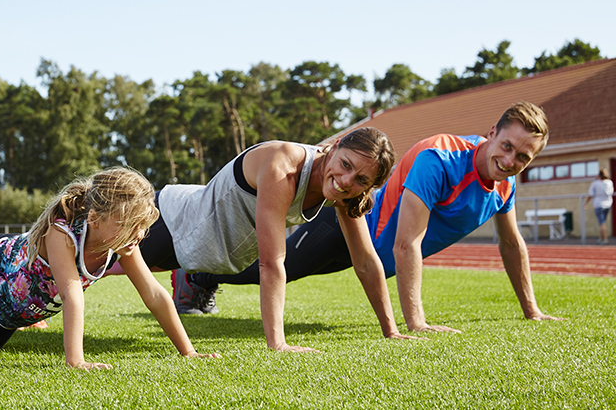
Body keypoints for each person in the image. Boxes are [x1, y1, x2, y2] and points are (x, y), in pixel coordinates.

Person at [186, 101, 565, 334]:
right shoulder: (440, 158)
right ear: (492, 132)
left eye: (523, 158)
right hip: (344, 224)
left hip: (373, 258)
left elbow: (512, 243)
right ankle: (196, 276)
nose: (510, 160)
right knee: (274, 266)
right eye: (507, 146)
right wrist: (414, 322)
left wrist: (532, 310)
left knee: (298, 270)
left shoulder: (505, 185)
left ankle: (199, 276)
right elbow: (407, 243)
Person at [122, 127, 410, 353]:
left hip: (199, 253)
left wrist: (391, 330)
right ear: (333, 148)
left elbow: (365, 260)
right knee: (90, 261)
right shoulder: (283, 165)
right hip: (170, 222)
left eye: (361, 180)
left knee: (100, 266)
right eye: (345, 164)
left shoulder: (347, 192)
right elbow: (271, 263)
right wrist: (278, 343)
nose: (347, 181)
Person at [0, 167, 220, 370]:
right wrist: (76, 360)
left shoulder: (121, 244)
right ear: (94, 218)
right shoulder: (62, 234)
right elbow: (71, 295)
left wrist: (189, 352)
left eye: (142, 227)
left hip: (12, 309)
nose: (139, 235)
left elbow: (154, 295)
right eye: (130, 225)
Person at [585, 168, 614, 244]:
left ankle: (605, 239)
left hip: (599, 205)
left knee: (602, 223)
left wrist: (586, 203)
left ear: (599, 175)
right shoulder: (609, 182)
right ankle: (601, 238)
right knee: (602, 222)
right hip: (608, 204)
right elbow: (611, 192)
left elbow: (591, 194)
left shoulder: (595, 183)